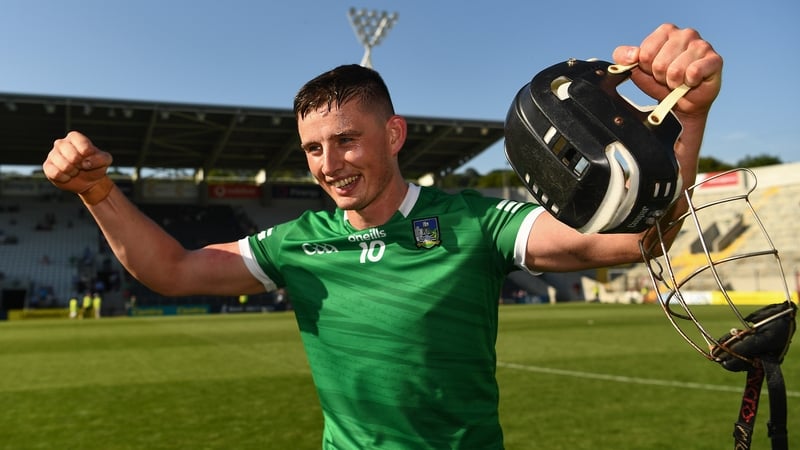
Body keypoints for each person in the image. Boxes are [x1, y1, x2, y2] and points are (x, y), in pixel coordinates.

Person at [42, 24, 722, 449]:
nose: (329, 165)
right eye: (313, 149)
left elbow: (634, 241)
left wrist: (685, 120)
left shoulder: (476, 221)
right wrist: (98, 192)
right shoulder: (296, 242)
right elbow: (172, 269)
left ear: (393, 134)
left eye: (346, 140)